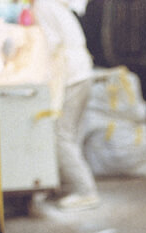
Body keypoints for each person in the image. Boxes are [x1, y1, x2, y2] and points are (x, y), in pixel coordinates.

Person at [33, 0, 102, 210]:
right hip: (80, 72)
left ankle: (84, 191)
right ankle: (67, 185)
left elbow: (50, 45)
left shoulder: (42, 6)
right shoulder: (52, 4)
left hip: (71, 75)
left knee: (60, 135)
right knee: (69, 135)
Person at [82, 0, 146, 122]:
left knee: (115, 108)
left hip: (118, 66)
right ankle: (137, 136)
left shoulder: (102, 3)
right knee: (137, 107)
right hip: (136, 65)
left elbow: (94, 33)